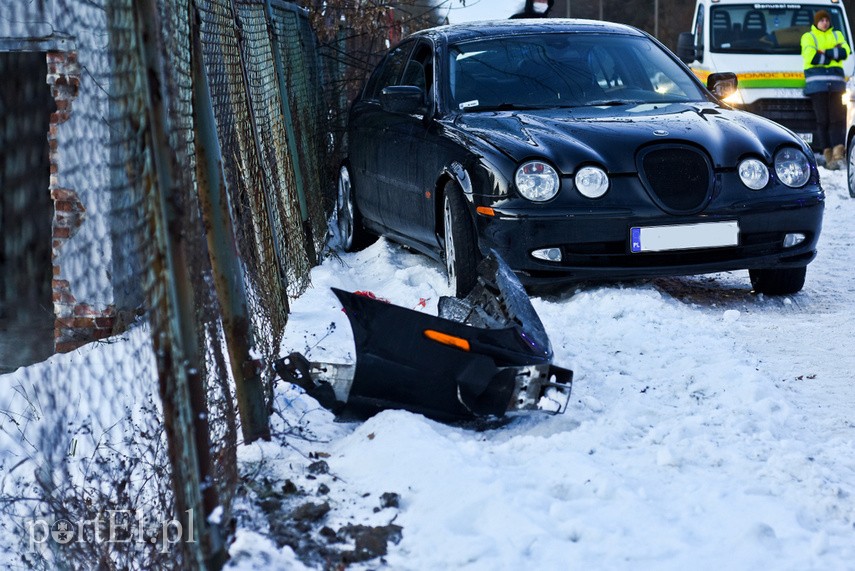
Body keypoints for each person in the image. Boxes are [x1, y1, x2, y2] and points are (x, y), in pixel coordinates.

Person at [801, 10, 851, 169]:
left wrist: (825, 52)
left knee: (837, 119)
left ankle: (837, 154)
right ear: (816, 22)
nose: (824, 23)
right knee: (823, 120)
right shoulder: (808, 36)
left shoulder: (837, 35)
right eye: (821, 20)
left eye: (826, 20)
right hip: (817, 86)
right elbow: (811, 57)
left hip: (836, 86)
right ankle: (827, 154)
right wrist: (832, 54)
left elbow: (845, 52)